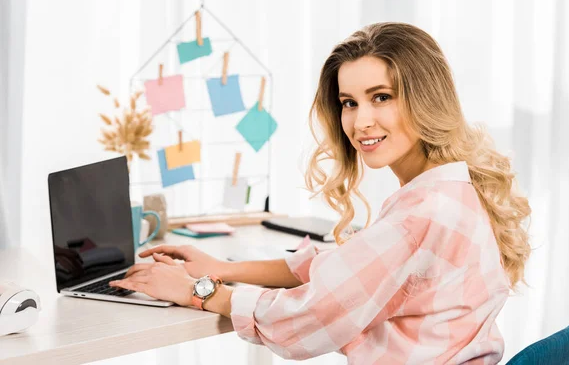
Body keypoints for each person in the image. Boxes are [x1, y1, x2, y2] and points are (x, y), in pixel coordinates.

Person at [111, 22, 531, 364]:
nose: (360, 121)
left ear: (426, 100)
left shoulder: (420, 217)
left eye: (380, 97)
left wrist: (194, 290)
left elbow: (307, 318)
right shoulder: (452, 189)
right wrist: (223, 267)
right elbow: (347, 269)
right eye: (349, 102)